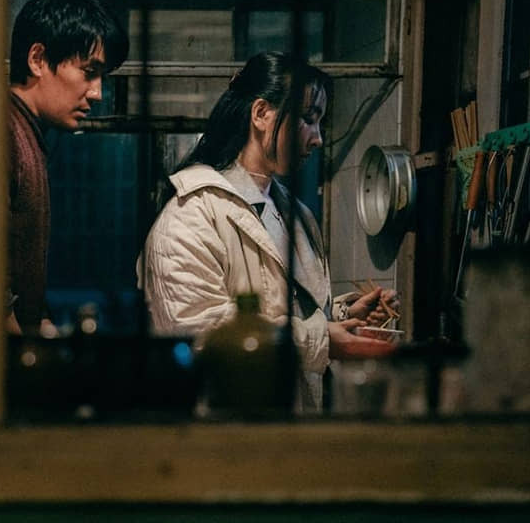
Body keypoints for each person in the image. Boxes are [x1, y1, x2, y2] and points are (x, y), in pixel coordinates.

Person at [137, 51, 397, 412]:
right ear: (261, 114)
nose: (318, 139)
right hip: (228, 428)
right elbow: (203, 333)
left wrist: (341, 316)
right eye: (308, 119)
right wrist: (323, 340)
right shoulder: (190, 216)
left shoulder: (295, 213)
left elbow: (276, 304)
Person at [5, 0, 129, 336]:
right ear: (38, 59)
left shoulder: (26, 132)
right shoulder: (1, 133)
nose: (97, 93)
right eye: (88, 72)